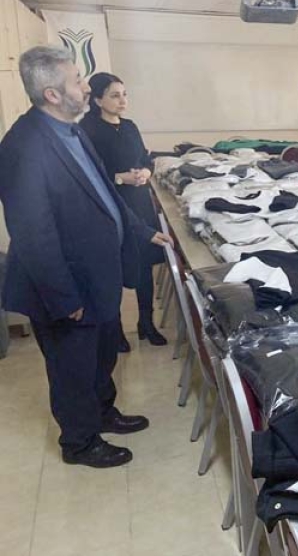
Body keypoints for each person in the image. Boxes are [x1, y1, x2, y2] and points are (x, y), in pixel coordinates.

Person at [0, 46, 172, 468]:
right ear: (52, 94)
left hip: (97, 276)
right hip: (66, 287)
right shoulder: (24, 146)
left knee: (100, 356)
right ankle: (79, 443)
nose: (85, 87)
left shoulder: (71, 131)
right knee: (72, 367)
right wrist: (64, 297)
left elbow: (105, 195)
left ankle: (103, 413)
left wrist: (142, 230)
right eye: (77, 80)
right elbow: (33, 234)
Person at [80, 72, 167, 350]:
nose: (122, 101)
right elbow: (88, 174)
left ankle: (146, 323)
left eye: (124, 95)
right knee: (113, 270)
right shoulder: (87, 129)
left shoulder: (129, 126)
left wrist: (146, 172)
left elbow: (145, 158)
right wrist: (120, 178)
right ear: (97, 100)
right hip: (109, 206)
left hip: (139, 203)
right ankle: (115, 330)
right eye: (115, 96)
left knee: (144, 266)